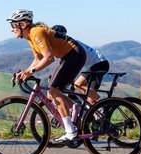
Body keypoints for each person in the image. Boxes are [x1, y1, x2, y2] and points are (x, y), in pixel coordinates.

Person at [7, 10, 87, 143]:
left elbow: (49, 58)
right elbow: (38, 58)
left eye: (14, 26)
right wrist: (25, 72)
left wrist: (31, 71)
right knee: (55, 92)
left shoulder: (36, 32)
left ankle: (70, 132)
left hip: (74, 55)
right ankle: (80, 114)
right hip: (69, 56)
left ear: (23, 24)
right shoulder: (30, 37)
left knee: (54, 91)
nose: (12, 30)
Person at [51, 24, 110, 105]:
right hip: (92, 65)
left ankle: (104, 104)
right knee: (77, 91)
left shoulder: (69, 45)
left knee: (78, 85)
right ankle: (87, 113)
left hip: (99, 63)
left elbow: (67, 65)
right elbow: (63, 66)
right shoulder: (69, 44)